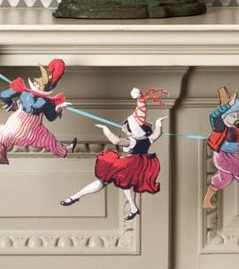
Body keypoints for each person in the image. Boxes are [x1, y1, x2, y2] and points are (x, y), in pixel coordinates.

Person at [60, 87, 167, 221]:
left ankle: (75, 196)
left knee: (105, 180)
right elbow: (157, 134)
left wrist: (105, 129)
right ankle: (133, 208)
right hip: (141, 165)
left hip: (130, 164)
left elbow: (116, 140)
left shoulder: (132, 141)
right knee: (126, 184)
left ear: (133, 130)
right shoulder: (147, 139)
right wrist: (158, 123)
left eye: (127, 126)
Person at [0, 59, 76, 165]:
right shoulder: (47, 102)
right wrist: (58, 109)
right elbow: (51, 117)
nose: (35, 81)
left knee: (3, 134)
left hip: (14, 128)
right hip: (32, 133)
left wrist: (11, 104)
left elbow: (3, 96)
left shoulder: (24, 93)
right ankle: (66, 151)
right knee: (49, 140)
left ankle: (1, 152)